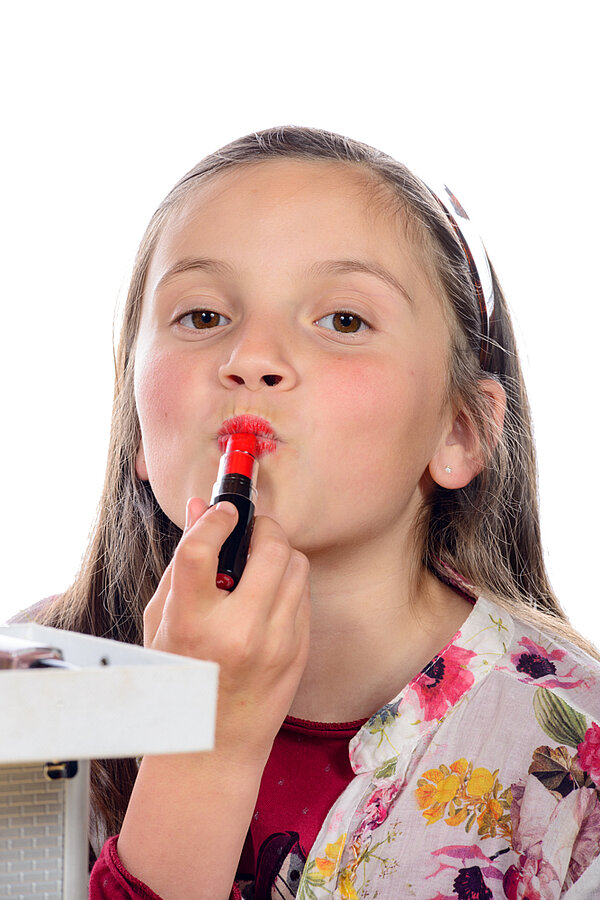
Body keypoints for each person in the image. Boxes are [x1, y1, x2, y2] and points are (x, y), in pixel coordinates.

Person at [31, 126, 600, 899]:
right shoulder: (27, 699)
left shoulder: (580, 764)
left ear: (460, 431)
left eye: (343, 321)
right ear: (136, 425)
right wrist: (201, 751)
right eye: (202, 317)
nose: (251, 359)